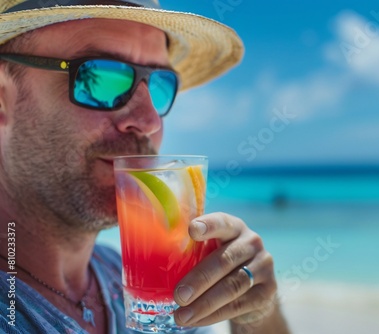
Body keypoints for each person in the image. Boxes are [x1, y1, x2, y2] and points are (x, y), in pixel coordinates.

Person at [0, 1, 290, 333]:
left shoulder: (148, 290)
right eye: (101, 79)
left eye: (157, 85)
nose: (149, 120)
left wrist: (254, 313)